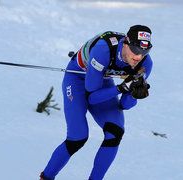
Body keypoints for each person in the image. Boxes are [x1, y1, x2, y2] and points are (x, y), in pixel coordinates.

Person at [40, 25, 153, 180]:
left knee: (115, 132)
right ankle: (46, 177)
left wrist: (134, 94)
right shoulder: (103, 50)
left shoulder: (145, 64)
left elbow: (124, 105)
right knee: (77, 137)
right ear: (126, 43)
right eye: (135, 50)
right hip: (78, 79)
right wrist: (121, 88)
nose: (138, 57)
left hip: (103, 81)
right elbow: (91, 96)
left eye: (144, 52)